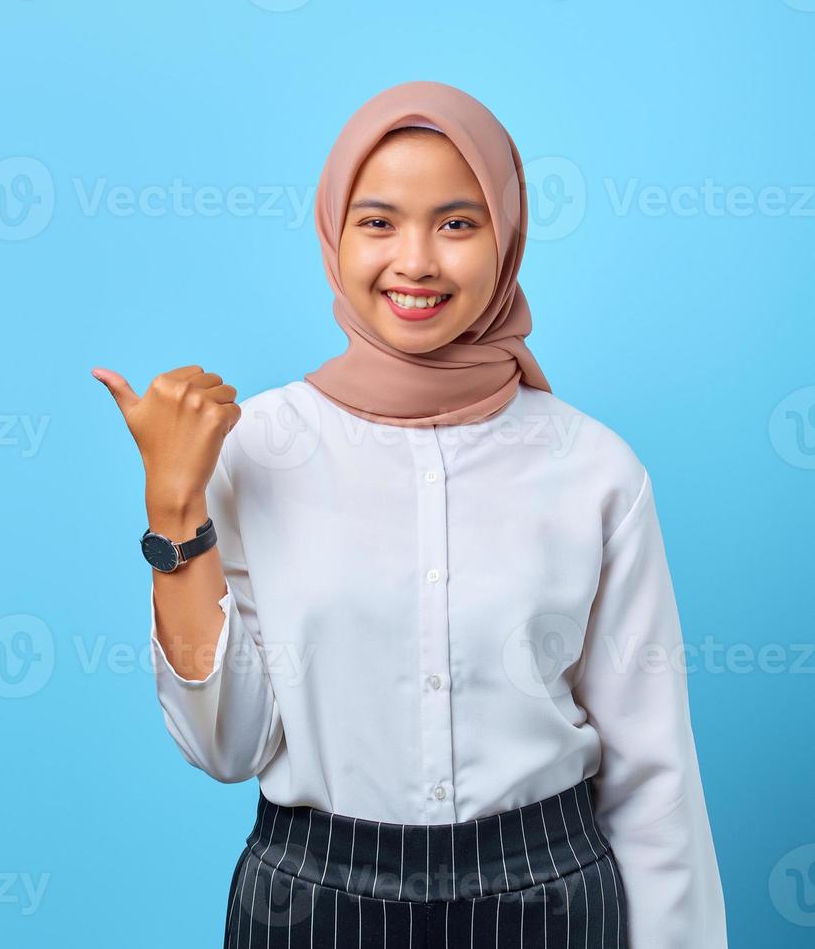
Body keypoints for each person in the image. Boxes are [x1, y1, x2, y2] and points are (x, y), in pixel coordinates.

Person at [93, 80, 727, 947]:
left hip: (550, 903)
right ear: (333, 234)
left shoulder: (593, 468)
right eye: (379, 221)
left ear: (506, 237)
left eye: (458, 223)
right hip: (312, 907)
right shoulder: (253, 449)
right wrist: (174, 506)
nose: (417, 261)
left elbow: (654, 776)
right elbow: (226, 749)